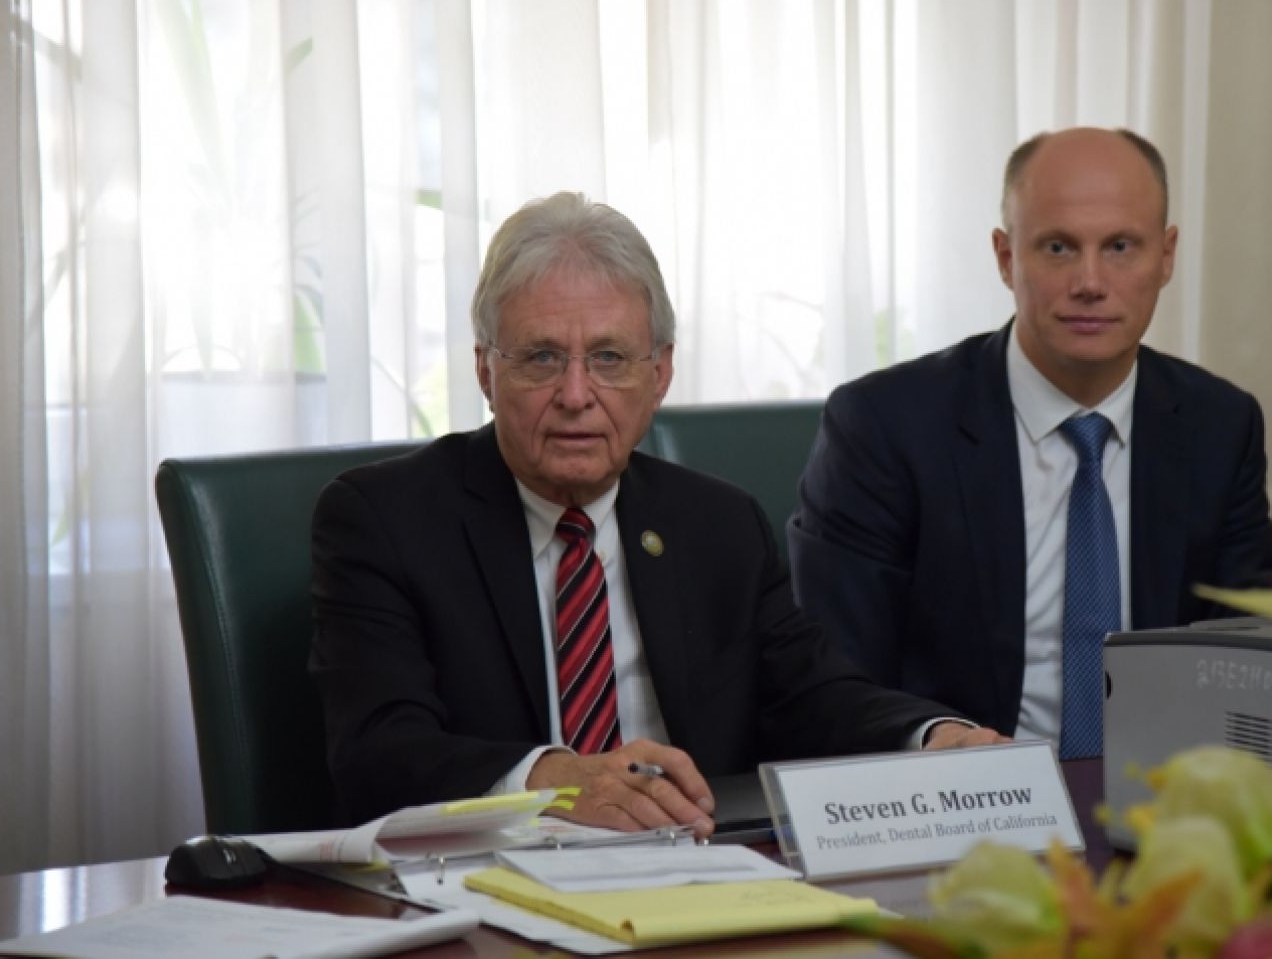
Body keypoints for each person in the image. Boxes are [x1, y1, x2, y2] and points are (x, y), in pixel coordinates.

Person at [310, 191, 999, 832]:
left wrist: (931, 736)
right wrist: (557, 782)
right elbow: (377, 751)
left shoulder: (718, 525)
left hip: (693, 866)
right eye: (542, 357)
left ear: (660, 374)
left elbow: (811, 696)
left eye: (609, 357)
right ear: (486, 371)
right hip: (486, 879)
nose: (575, 394)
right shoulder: (384, 520)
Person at [789, 127, 1272, 756]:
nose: (1091, 282)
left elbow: (1244, 655)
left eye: (1121, 246)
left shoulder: (1220, 426)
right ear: (1005, 257)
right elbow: (832, 675)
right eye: (1058, 247)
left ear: (1166, 256)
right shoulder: (884, 426)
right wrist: (932, 736)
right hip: (961, 791)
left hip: (1163, 788)